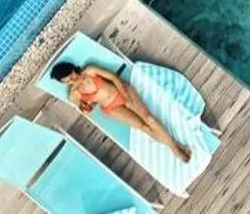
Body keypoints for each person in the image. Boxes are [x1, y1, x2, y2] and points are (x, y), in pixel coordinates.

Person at [51, 61, 191, 163]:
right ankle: (175, 147)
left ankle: (175, 148)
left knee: (150, 119)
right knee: (144, 128)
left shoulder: (90, 71)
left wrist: (126, 96)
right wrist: (82, 105)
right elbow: (88, 110)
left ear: (73, 69)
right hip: (111, 108)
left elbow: (113, 77)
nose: (73, 81)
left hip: (122, 92)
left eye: (71, 76)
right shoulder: (73, 94)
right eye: (68, 82)